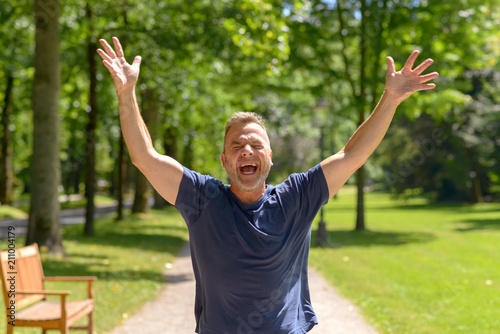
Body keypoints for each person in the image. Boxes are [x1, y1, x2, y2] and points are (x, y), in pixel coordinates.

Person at [97, 37, 439, 333]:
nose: (247, 150)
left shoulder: (298, 197)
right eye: (237, 146)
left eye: (256, 145)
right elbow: (145, 157)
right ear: (224, 161)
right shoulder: (201, 199)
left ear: (270, 158)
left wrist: (390, 99)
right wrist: (126, 93)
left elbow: (351, 155)